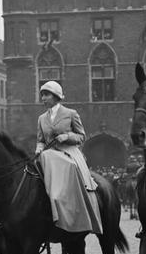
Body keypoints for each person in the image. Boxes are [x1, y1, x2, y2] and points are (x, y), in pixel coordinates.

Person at [35, 81, 103, 234]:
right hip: (48, 154)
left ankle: (65, 204)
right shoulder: (41, 118)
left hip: (68, 152)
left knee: (67, 165)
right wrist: (38, 149)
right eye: (42, 95)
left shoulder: (70, 113)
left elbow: (81, 136)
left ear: (55, 96)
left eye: (46, 95)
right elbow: (40, 140)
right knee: (39, 163)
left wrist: (66, 136)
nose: (43, 98)